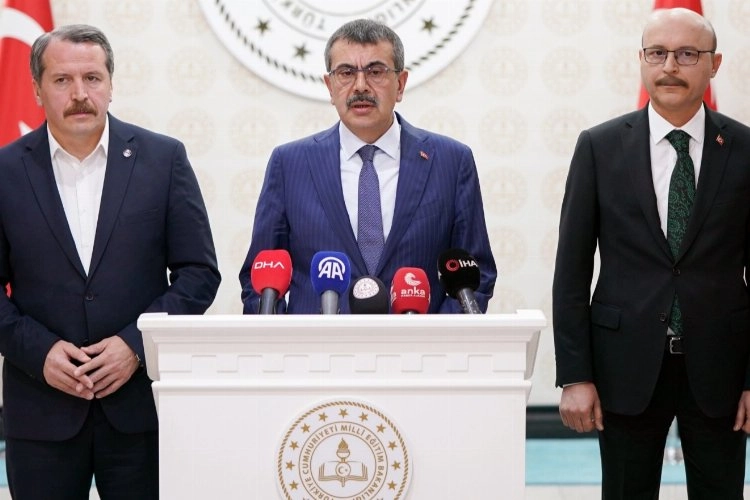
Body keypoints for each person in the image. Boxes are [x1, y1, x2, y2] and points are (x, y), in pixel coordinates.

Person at [0, 24, 221, 499]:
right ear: (37, 90)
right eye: (62, 80)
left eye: (92, 78)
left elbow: (199, 274)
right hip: (40, 414)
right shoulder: (5, 170)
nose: (80, 94)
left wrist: (135, 344)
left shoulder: (163, 159)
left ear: (111, 84)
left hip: (140, 411)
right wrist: (40, 353)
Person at [553, 7, 750, 499]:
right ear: (641, 60)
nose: (670, 67)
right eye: (657, 53)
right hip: (624, 366)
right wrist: (574, 376)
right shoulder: (599, 147)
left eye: (687, 54)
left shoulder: (745, 149)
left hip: (722, 370)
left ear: (715, 63)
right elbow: (572, 271)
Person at [239, 18, 496, 314]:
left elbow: (476, 275)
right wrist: (288, 339)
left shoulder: (451, 161)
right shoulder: (289, 164)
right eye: (346, 73)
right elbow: (259, 279)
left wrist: (435, 337)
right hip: (316, 343)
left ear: (400, 84)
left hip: (419, 342)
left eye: (375, 72)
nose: (360, 86)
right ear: (330, 86)